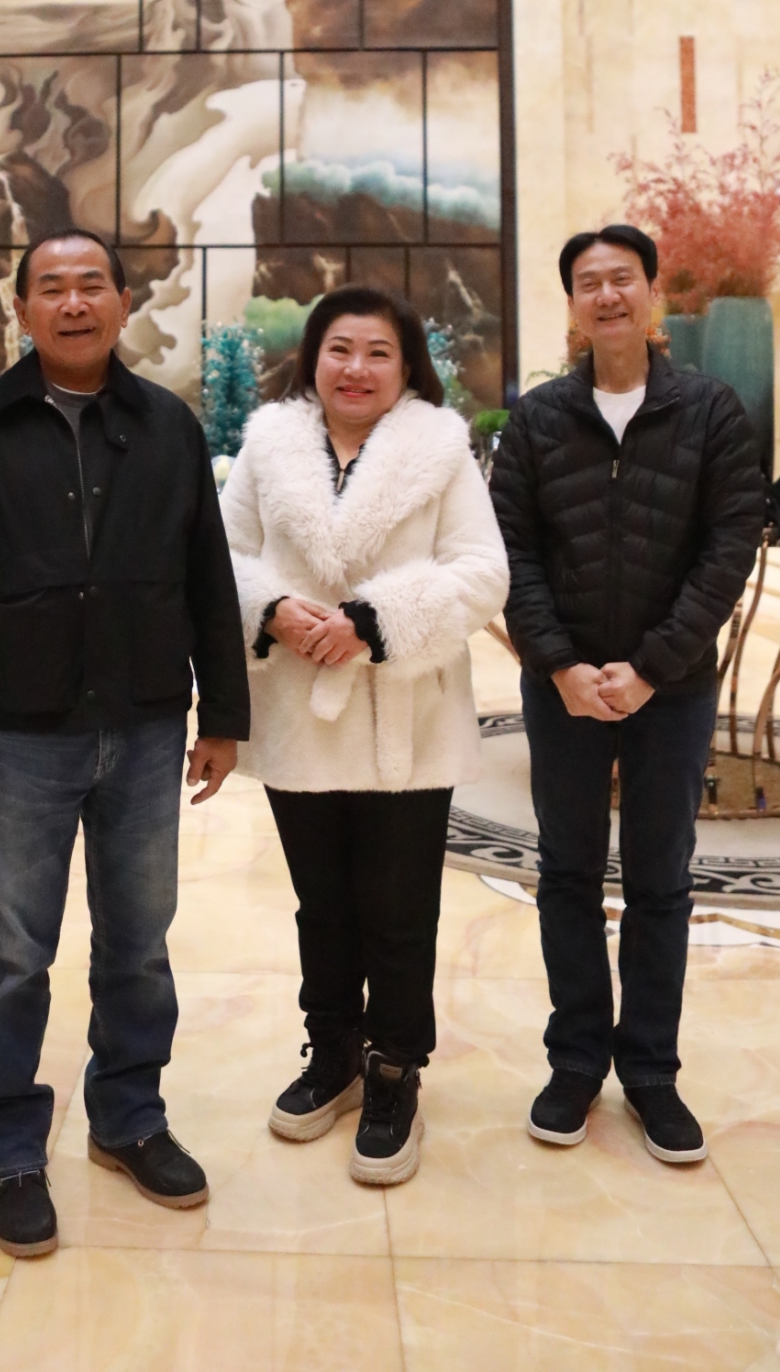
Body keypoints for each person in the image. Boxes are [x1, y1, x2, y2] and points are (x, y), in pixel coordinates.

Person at [0, 227, 250, 1259]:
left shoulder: (166, 425)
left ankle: (129, 1116)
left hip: (146, 726)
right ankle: (12, 1146)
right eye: (50, 287)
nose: (72, 303)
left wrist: (223, 714)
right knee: (17, 952)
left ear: (121, 301)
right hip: (23, 735)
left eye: (90, 284)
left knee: (138, 941)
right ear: (20, 310)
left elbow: (208, 575)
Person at [220, 288, 509, 1186]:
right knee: (322, 902)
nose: (356, 368)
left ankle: (394, 1070)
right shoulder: (267, 446)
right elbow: (219, 555)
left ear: (405, 365)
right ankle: (334, 1052)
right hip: (299, 715)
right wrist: (272, 607)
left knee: (398, 910)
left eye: (377, 352)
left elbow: (483, 572)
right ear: (312, 359)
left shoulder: (440, 450)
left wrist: (372, 623)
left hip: (403, 720)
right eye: (338, 349)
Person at [489, 225, 764, 1164]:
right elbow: (511, 550)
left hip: (671, 688)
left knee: (659, 881)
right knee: (565, 874)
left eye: (621, 278)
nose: (605, 295)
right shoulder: (537, 417)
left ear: (650, 290)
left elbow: (728, 546)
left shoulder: (709, 410)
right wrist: (559, 665)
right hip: (560, 687)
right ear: (570, 302)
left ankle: (649, 1071)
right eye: (587, 282)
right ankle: (574, 1062)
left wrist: (649, 667)